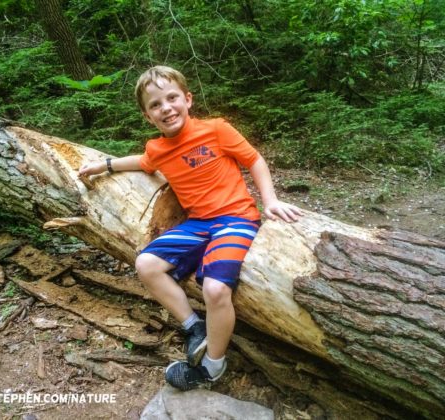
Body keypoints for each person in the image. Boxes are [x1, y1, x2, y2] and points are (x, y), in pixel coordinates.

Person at [79, 65, 302, 390]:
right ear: (147, 115)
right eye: (155, 105)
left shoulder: (216, 130)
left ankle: (212, 366)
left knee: (215, 289)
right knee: (146, 264)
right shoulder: (158, 148)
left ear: (187, 99)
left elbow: (253, 160)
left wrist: (269, 201)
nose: (165, 108)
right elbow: (144, 161)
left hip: (236, 218)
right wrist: (106, 165)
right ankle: (194, 326)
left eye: (172, 98)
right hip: (198, 223)